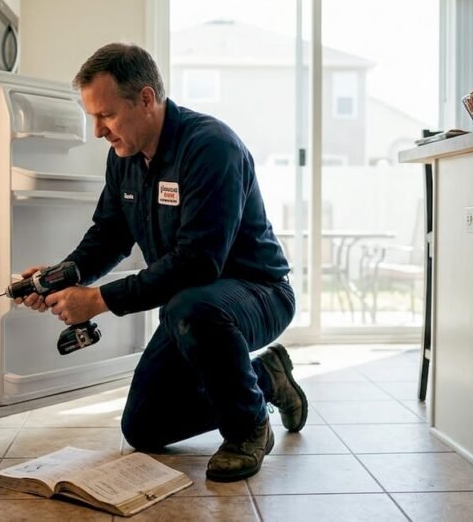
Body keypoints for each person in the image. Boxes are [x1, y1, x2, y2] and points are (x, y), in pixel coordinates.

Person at [15, 42, 306, 482]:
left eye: (106, 115)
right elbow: (108, 235)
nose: (98, 131)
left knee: (191, 305)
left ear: (146, 99)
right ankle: (267, 377)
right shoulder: (124, 159)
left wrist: (97, 300)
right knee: (144, 427)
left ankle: (248, 429)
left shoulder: (211, 148)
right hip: (191, 309)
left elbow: (198, 264)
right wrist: (59, 277)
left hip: (257, 293)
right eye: (93, 116)